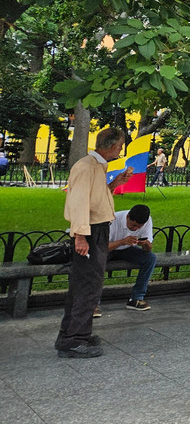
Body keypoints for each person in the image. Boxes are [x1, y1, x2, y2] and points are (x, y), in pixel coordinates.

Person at [55, 127, 132, 358]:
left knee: (86, 286)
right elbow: (78, 202)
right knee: (88, 287)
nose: (120, 149)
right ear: (111, 146)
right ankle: (73, 340)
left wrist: (115, 183)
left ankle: (73, 334)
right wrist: (80, 236)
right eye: (120, 145)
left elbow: (96, 198)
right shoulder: (87, 167)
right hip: (90, 232)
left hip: (96, 230)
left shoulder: (98, 167)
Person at [106, 203, 156, 311]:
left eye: (139, 227)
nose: (135, 228)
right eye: (133, 225)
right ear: (128, 216)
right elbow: (101, 248)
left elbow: (148, 249)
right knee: (97, 261)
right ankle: (93, 303)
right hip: (109, 249)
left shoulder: (147, 221)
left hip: (126, 249)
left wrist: (145, 243)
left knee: (150, 258)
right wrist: (122, 242)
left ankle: (136, 298)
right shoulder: (113, 220)